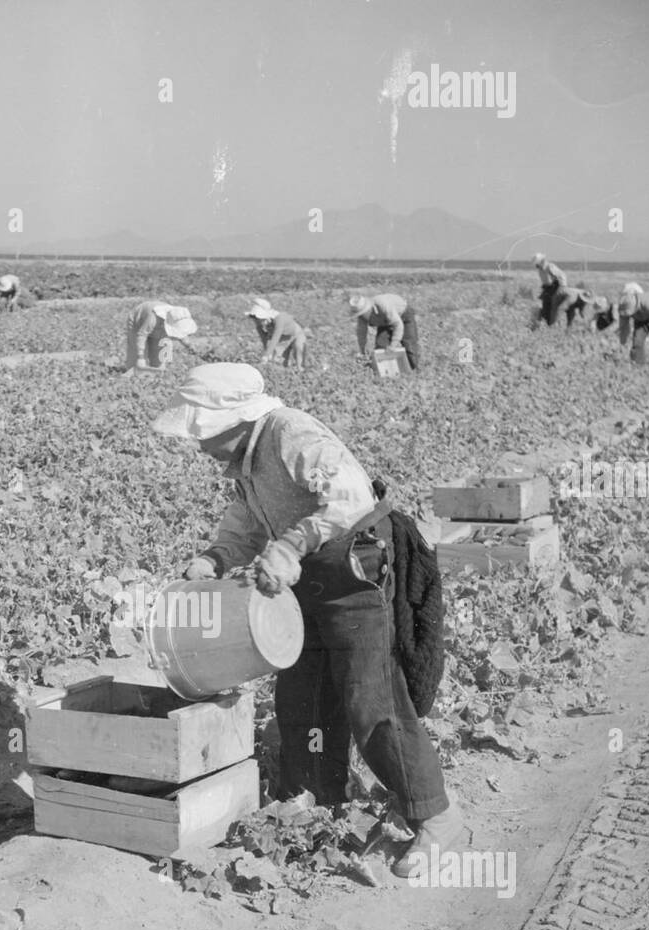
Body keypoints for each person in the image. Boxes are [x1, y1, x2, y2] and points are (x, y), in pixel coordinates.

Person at [152, 363, 460, 882]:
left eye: (201, 430)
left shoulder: (289, 431)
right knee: (303, 695)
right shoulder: (246, 461)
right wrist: (213, 558)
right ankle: (316, 798)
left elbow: (350, 497)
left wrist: (291, 544)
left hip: (353, 574)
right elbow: (248, 523)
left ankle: (434, 814)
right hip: (308, 582)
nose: (198, 444)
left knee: (372, 699)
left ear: (232, 420)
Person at [349, 293, 419, 370]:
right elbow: (361, 333)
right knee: (380, 346)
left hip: (403, 315)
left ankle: (414, 370)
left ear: (368, 309)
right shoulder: (362, 317)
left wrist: (393, 345)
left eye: (362, 313)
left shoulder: (383, 306)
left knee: (409, 346)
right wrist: (362, 350)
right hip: (385, 322)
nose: (361, 316)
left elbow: (398, 325)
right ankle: (385, 373)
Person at [125, 301, 198, 371]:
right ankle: (136, 369)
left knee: (159, 362)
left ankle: (153, 372)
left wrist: (189, 345)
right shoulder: (153, 319)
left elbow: (181, 333)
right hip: (138, 322)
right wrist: (140, 357)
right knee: (136, 362)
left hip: (158, 327)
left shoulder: (177, 317)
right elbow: (141, 335)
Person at [245, 298, 308, 368]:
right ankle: (286, 375)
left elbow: (276, 336)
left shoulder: (279, 318)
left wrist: (266, 355)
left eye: (260, 320)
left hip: (296, 333)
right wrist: (267, 352)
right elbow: (264, 339)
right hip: (282, 339)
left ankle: (301, 372)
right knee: (279, 363)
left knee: (299, 351)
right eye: (256, 320)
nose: (258, 323)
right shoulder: (259, 324)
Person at [616, 282, 649, 362]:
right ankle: (637, 364)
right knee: (637, 340)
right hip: (641, 318)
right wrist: (622, 344)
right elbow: (624, 327)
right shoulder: (623, 305)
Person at [533, 253, 568, 325]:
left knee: (554, 308)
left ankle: (554, 324)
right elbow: (546, 281)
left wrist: (562, 288)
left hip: (556, 288)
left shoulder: (550, 267)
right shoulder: (540, 269)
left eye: (537, 264)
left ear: (541, 261)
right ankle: (548, 324)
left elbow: (562, 276)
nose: (536, 266)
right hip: (547, 289)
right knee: (545, 307)